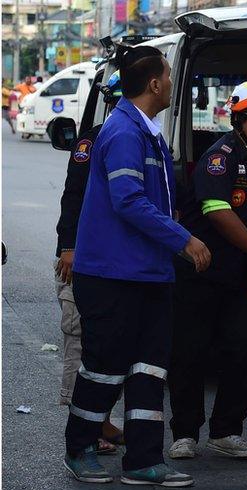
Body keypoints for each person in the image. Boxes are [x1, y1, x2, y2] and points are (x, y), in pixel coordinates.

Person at [64, 44, 211, 487]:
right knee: (105, 365)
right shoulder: (124, 132)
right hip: (112, 274)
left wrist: (173, 221)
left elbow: (153, 200)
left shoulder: (147, 131)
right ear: (154, 83)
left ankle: (144, 460)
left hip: (148, 273)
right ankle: (80, 448)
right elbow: (128, 200)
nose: (171, 82)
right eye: (168, 75)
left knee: (149, 369)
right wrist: (183, 240)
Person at [167, 77, 247, 460]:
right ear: (238, 119)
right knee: (190, 353)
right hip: (201, 270)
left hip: (239, 277)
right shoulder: (220, 157)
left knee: (244, 351)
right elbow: (217, 211)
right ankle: (185, 433)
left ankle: (226, 432)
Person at [54, 71, 125, 454]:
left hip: (113, 262)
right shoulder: (91, 141)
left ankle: (103, 421)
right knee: (80, 342)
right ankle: (85, 427)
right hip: (81, 257)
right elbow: (73, 196)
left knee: (109, 347)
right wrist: (69, 246)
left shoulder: (139, 137)